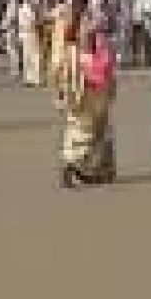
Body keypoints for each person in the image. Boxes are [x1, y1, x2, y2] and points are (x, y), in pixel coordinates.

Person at [59, 23, 116, 187]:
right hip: (83, 96)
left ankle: (97, 170)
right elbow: (64, 77)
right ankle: (74, 167)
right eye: (83, 32)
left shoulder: (100, 48)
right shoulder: (73, 54)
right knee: (82, 133)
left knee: (100, 133)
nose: (87, 35)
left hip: (97, 95)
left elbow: (108, 72)